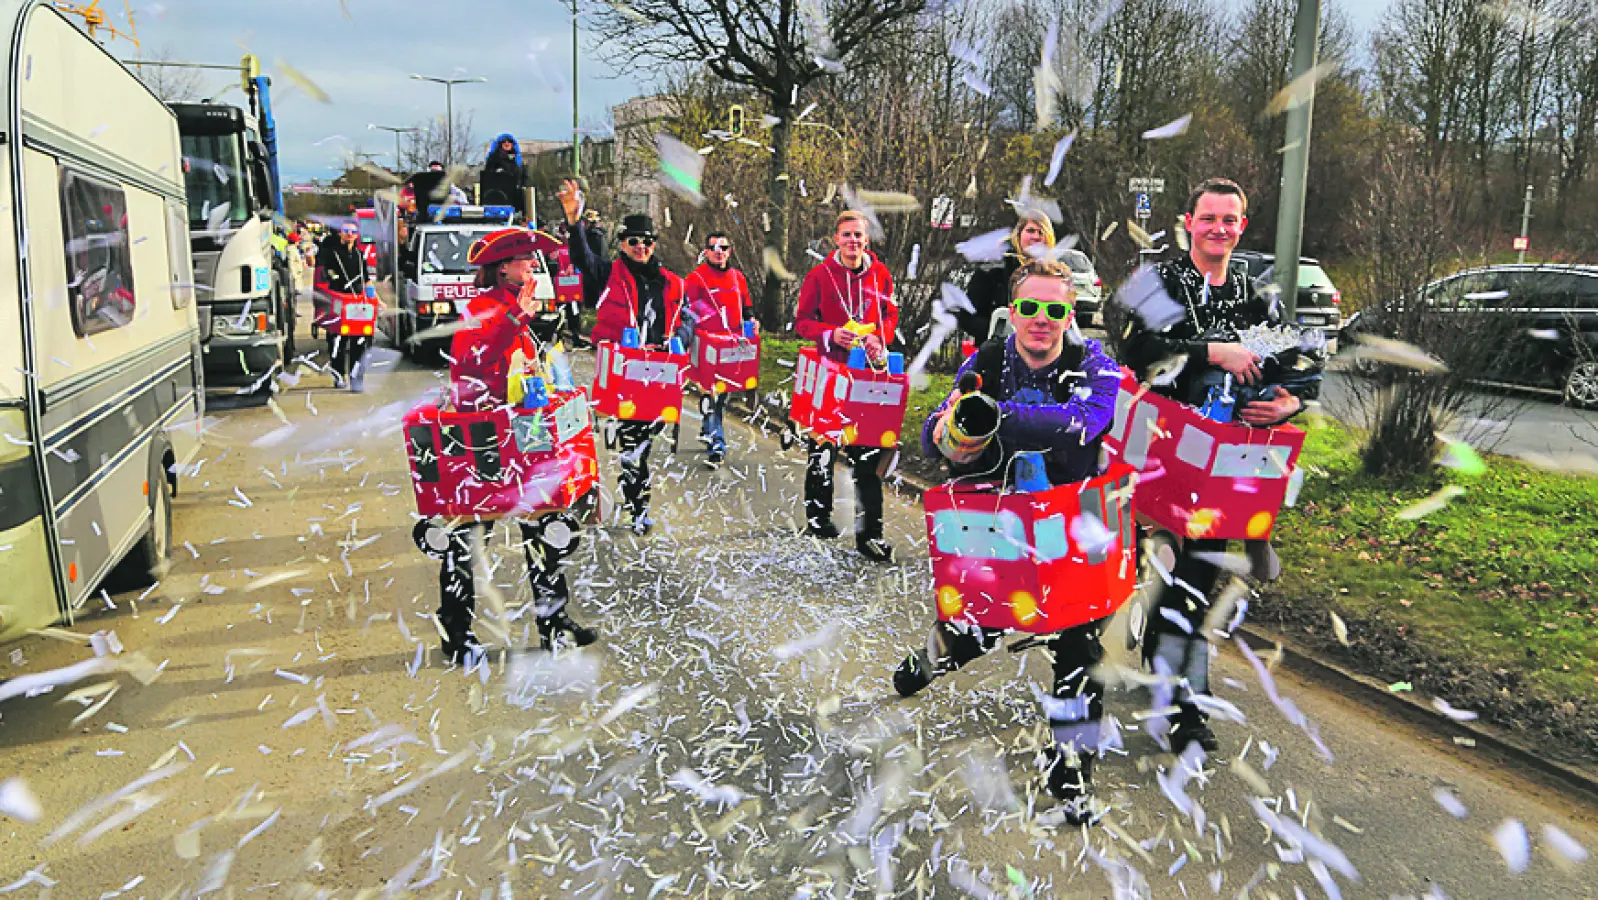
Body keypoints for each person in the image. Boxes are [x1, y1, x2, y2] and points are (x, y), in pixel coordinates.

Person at [892, 258, 1120, 825]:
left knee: (1080, 654)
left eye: (1055, 309)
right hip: (997, 520)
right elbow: (933, 432)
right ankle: (929, 661)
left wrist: (999, 415)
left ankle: (1072, 772)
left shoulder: (1095, 363)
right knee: (979, 628)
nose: (1042, 320)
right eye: (1030, 308)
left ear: (1072, 312)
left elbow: (1082, 421)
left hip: (1072, 522)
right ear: (1012, 310)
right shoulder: (988, 360)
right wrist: (950, 437)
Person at [1120, 177, 1307, 755]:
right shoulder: (1163, 281)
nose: (1219, 229)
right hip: (1162, 449)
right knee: (1173, 577)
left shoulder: (1256, 294)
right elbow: (1135, 348)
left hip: (1224, 464)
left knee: (1192, 583)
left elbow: (1293, 361)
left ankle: (1179, 696)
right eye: (1209, 219)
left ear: (1241, 226)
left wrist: (1291, 399)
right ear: (1189, 222)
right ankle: (1174, 691)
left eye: (1230, 220)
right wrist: (1210, 352)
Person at [436, 227, 599, 662]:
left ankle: (554, 621)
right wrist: (515, 321)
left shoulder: (516, 305)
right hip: (482, 434)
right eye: (525, 258)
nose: (532, 264)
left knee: (544, 524)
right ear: (503, 267)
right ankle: (456, 632)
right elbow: (472, 364)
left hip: (524, 428)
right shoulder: (482, 308)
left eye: (532, 258)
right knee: (468, 534)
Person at [557, 179, 684, 535]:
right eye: (633, 242)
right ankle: (638, 508)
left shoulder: (671, 282)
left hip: (658, 371)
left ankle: (633, 485)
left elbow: (685, 318)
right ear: (623, 245)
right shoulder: (607, 274)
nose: (640, 248)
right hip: (623, 373)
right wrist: (574, 220)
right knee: (636, 443)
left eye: (646, 242)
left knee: (648, 437)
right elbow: (582, 257)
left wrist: (679, 340)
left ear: (653, 245)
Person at [793, 210, 899, 562]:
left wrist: (880, 339)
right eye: (847, 235)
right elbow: (803, 322)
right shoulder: (819, 276)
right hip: (830, 372)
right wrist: (830, 333)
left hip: (866, 373)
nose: (853, 241)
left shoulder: (880, 274)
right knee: (822, 449)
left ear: (867, 240)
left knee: (867, 454)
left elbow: (889, 313)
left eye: (859, 235)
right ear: (836, 239)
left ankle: (870, 534)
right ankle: (818, 516)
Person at [682, 231, 756, 467]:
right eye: (713, 247)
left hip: (731, 345)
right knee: (711, 392)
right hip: (705, 345)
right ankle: (717, 444)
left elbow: (747, 306)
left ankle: (708, 427)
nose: (718, 251)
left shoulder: (737, 278)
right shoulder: (695, 278)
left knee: (719, 395)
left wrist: (752, 321)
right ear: (706, 252)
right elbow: (687, 313)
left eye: (723, 247)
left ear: (729, 252)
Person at [956, 213, 1056, 345]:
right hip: (997, 354)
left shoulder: (1054, 274)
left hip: (1042, 353)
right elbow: (966, 316)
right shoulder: (994, 269)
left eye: (1041, 232)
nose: (1036, 237)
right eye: (1031, 231)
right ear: (1018, 235)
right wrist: (997, 333)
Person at [313, 222, 368, 388]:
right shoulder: (331, 253)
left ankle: (356, 378)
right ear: (340, 234)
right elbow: (321, 272)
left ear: (357, 235)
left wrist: (376, 299)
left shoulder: (359, 255)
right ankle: (338, 375)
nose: (349, 234)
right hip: (337, 301)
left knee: (359, 340)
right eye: (346, 231)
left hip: (357, 302)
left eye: (353, 232)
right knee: (338, 339)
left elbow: (366, 280)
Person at [479, 134, 526, 216]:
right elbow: (488, 176)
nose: (507, 143)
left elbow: (523, 175)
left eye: (509, 141)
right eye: (504, 141)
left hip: (516, 193)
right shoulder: (494, 157)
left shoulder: (518, 159)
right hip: (500, 195)